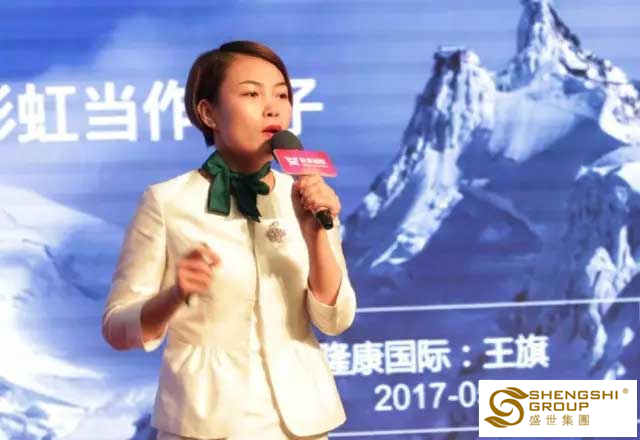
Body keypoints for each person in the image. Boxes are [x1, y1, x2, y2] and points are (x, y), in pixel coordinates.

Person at [101, 40, 357, 440]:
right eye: (252, 94)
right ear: (208, 113)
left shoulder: (308, 194)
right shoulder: (167, 202)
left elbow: (335, 319)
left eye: (282, 95)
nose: (272, 108)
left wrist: (316, 236)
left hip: (300, 424)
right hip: (204, 424)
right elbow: (117, 328)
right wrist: (174, 295)